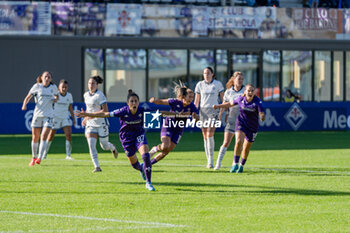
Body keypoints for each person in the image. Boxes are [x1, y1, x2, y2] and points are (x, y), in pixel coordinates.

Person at [75, 90, 155, 191]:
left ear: (138, 102)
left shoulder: (142, 110)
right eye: (132, 101)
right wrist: (87, 114)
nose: (134, 103)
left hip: (139, 135)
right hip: (126, 138)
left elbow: (160, 113)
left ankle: (148, 182)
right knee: (135, 165)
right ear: (128, 103)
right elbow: (105, 114)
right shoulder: (123, 111)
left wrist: (176, 114)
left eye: (136, 101)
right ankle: (141, 168)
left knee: (145, 155)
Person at [213, 84, 265, 173]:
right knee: (238, 142)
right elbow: (230, 104)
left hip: (252, 127)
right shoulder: (241, 99)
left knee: (246, 148)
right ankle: (235, 164)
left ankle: (241, 165)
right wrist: (218, 106)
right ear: (245, 91)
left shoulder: (257, 101)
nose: (250, 92)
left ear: (254, 92)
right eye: (248, 90)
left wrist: (262, 116)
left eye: (252, 91)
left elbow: (262, 113)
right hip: (241, 123)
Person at [148, 84, 198, 165]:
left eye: (192, 97)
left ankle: (148, 164)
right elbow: (161, 102)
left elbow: (197, 119)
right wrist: (154, 100)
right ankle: (155, 149)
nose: (191, 99)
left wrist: (195, 117)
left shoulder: (192, 106)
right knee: (165, 146)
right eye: (190, 96)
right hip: (168, 126)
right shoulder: (175, 101)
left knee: (166, 151)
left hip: (178, 130)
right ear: (184, 96)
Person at [81, 75, 118, 173]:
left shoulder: (100, 95)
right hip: (91, 124)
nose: (91, 85)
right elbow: (88, 109)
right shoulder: (85, 95)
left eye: (93, 83)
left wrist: (89, 115)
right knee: (91, 145)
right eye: (89, 83)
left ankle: (112, 147)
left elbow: (105, 111)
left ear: (97, 85)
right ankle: (97, 166)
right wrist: (86, 118)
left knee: (104, 146)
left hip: (102, 123)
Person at [21, 71, 58, 166]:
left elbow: (57, 95)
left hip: (49, 115)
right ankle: (33, 157)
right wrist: (24, 105)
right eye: (45, 76)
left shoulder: (53, 87)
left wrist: (55, 99)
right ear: (41, 78)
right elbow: (28, 97)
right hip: (37, 115)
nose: (47, 78)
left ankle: (40, 157)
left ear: (51, 79)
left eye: (49, 77)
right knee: (35, 137)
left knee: (44, 136)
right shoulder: (37, 86)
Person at [194, 67, 224, 168]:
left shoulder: (218, 84)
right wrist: (194, 112)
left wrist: (221, 111)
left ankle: (211, 160)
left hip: (213, 110)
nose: (206, 75)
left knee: (210, 133)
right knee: (205, 136)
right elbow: (196, 101)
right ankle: (209, 161)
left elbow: (223, 99)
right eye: (204, 73)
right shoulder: (199, 85)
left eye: (208, 73)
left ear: (212, 74)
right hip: (203, 111)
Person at [214, 72, 245, 170]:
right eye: (238, 79)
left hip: (242, 120)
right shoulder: (228, 91)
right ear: (234, 80)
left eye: (241, 79)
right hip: (232, 119)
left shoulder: (245, 90)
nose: (240, 81)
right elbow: (225, 103)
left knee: (239, 143)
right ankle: (218, 163)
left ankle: (234, 163)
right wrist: (221, 113)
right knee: (226, 142)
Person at [43, 79, 75, 160]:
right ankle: (44, 154)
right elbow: (48, 102)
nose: (64, 88)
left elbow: (70, 108)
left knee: (69, 135)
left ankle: (68, 155)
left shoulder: (69, 96)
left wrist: (73, 118)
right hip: (55, 117)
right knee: (50, 136)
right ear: (59, 88)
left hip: (65, 118)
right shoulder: (55, 95)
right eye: (62, 87)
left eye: (65, 87)